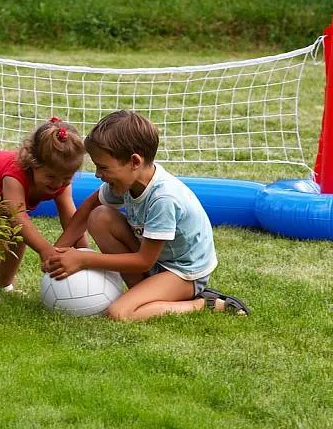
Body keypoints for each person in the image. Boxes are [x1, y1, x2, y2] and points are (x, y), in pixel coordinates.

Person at [44, 110, 248, 321]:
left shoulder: (164, 199)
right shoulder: (127, 182)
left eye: (102, 167)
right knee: (100, 216)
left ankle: (204, 303)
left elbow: (144, 261)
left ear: (134, 162)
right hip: (156, 262)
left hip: (182, 273)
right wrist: (56, 251)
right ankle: (148, 293)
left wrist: (85, 259)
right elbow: (87, 209)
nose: (97, 175)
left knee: (119, 313)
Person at [0, 117, 87, 300]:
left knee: (19, 234)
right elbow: (18, 217)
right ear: (33, 164)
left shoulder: (61, 182)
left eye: (66, 178)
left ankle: (5, 284)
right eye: (51, 176)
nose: (58, 183)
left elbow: (71, 218)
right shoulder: (15, 175)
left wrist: (84, 252)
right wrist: (45, 249)